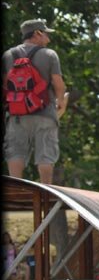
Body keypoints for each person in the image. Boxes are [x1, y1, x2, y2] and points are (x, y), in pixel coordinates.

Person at [3, 19, 66, 185]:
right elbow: (58, 83)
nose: (48, 39)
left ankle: (16, 189)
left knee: (15, 152)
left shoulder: (8, 55)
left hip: (16, 114)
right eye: (45, 34)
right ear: (37, 33)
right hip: (45, 112)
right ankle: (45, 190)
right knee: (46, 153)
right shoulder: (49, 55)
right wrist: (60, 101)